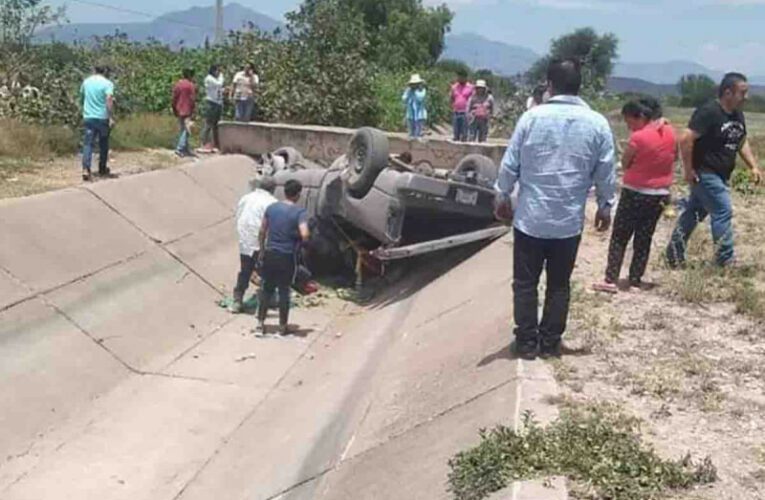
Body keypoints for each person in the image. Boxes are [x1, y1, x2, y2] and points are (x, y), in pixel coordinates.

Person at [494, 58, 616, 360]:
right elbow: (606, 171)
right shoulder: (598, 123)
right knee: (559, 285)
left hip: (530, 220)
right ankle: (549, 343)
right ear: (579, 86)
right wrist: (604, 206)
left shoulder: (532, 118)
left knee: (525, 283)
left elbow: (511, 163)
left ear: (549, 85)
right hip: (567, 223)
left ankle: (525, 344)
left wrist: (502, 196)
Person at [666, 73, 763, 268]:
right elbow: (685, 138)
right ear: (728, 92)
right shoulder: (709, 112)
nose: (746, 97)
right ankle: (724, 260)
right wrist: (688, 170)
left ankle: (674, 254)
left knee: (694, 213)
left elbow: (740, 141)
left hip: (720, 174)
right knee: (722, 210)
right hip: (705, 172)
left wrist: (753, 166)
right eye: (742, 93)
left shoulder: (737, 114)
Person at [593, 98, 676, 294]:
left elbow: (626, 161)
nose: (629, 126)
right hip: (660, 194)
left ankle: (611, 279)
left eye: (629, 121)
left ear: (640, 116)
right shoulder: (671, 132)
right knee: (644, 238)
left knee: (620, 236)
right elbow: (675, 157)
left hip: (635, 192)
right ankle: (635, 280)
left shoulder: (638, 138)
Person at [257, 179, 310, 334]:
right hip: (287, 256)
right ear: (298, 194)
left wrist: (262, 250)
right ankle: (282, 326)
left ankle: (260, 323)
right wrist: (300, 242)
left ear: (285, 191)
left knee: (266, 289)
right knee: (284, 291)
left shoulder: (271, 208)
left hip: (270, 253)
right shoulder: (300, 212)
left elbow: (262, 231)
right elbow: (305, 234)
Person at [230, 176, 278, 314]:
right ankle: (266, 302)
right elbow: (269, 226)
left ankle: (237, 301)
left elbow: (239, 216)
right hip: (260, 242)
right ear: (272, 189)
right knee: (266, 272)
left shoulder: (246, 197)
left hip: (245, 240)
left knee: (245, 271)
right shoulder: (272, 202)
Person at [80, 65, 115, 181]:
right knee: (103, 143)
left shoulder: (86, 82)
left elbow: (82, 97)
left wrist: (84, 110)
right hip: (102, 117)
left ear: (94, 70)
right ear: (104, 72)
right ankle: (102, 168)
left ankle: (86, 169)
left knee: (88, 143)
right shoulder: (108, 84)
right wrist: (110, 116)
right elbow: (109, 99)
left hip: (88, 116)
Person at [199, 64, 225, 153]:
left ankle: (214, 144)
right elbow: (219, 84)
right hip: (211, 103)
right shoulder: (209, 78)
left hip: (218, 103)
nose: (219, 73)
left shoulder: (215, 79)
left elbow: (219, 89)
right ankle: (203, 142)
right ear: (213, 71)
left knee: (216, 125)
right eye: (218, 71)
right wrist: (222, 76)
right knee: (208, 123)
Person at [172, 68, 196, 158]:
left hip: (179, 109)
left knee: (183, 128)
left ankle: (186, 148)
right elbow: (192, 99)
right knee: (186, 130)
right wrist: (193, 110)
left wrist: (174, 108)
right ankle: (180, 148)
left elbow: (174, 97)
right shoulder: (191, 85)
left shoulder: (178, 84)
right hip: (187, 110)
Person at [450, 69, 474, 142]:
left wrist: (471, 112)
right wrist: (452, 107)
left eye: (462, 77)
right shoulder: (454, 87)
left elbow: (473, 100)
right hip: (456, 112)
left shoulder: (471, 87)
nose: (460, 78)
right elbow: (452, 98)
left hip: (465, 113)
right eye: (459, 76)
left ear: (465, 77)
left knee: (464, 133)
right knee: (456, 132)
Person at [402, 74, 428, 139]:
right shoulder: (408, 90)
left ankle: (417, 136)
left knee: (418, 131)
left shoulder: (422, 91)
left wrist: (416, 91)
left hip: (420, 114)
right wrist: (408, 92)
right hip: (410, 113)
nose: (414, 85)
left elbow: (420, 98)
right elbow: (404, 99)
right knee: (411, 132)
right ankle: (411, 137)